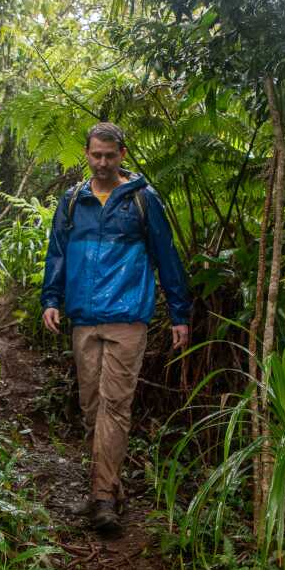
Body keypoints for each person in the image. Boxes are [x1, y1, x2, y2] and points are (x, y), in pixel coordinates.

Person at [41, 122, 191, 534]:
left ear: (122, 154)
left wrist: (179, 314)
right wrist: (50, 300)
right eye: (96, 155)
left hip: (128, 318)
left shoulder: (143, 200)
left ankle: (102, 497)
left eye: (110, 155)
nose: (103, 162)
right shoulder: (74, 201)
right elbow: (57, 253)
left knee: (114, 406)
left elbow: (167, 256)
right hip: (83, 319)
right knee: (92, 407)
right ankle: (109, 486)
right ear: (87, 154)